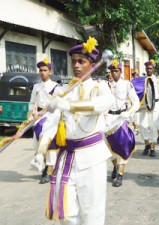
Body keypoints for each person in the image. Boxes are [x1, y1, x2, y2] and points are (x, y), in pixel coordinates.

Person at [31, 37, 114, 224]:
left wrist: (69, 105)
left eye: (81, 61)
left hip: (92, 158)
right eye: (73, 61)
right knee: (66, 214)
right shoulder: (62, 90)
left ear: (92, 64)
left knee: (92, 214)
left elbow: (103, 104)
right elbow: (51, 124)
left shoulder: (100, 87)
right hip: (66, 157)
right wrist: (41, 151)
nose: (76, 65)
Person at [106, 59, 140, 187]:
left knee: (122, 145)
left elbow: (136, 103)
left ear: (120, 72)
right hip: (108, 118)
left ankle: (120, 174)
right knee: (108, 147)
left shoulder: (127, 85)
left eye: (116, 71)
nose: (114, 73)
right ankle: (115, 166)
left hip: (121, 117)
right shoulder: (106, 85)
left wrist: (129, 112)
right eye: (112, 71)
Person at [28, 58, 58, 184]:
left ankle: (48, 170)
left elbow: (57, 105)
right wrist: (30, 115)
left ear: (50, 71)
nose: (42, 72)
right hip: (38, 119)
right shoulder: (36, 86)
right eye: (40, 70)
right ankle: (45, 166)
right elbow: (32, 102)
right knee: (38, 144)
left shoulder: (55, 86)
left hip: (51, 117)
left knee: (49, 144)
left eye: (45, 70)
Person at [139, 59, 159, 157]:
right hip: (145, 106)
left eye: (150, 68)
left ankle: (153, 148)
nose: (148, 70)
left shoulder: (158, 81)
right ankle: (147, 144)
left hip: (155, 106)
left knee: (154, 127)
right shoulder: (142, 80)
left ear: (153, 69)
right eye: (147, 68)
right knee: (142, 125)